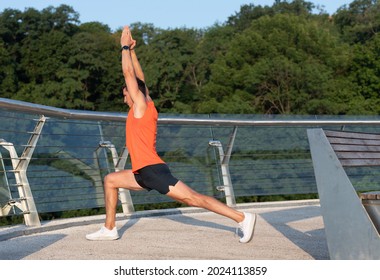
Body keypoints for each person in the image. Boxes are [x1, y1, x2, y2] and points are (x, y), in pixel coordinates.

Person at [86, 26, 256, 243]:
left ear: (134, 93)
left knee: (193, 199)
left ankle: (242, 217)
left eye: (125, 93)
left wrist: (124, 46)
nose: (124, 98)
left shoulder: (140, 107)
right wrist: (133, 52)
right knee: (111, 180)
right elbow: (139, 78)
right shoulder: (148, 105)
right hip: (143, 171)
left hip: (152, 170)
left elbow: (130, 74)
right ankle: (109, 228)